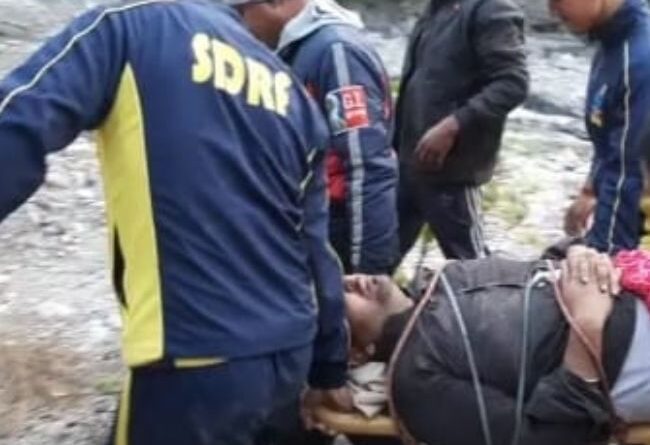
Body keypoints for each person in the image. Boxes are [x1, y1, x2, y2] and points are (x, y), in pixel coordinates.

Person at [0, 1, 350, 444]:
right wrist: (328, 367)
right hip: (287, 355)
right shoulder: (292, 93)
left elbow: (17, 122)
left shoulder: (131, 25)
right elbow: (316, 249)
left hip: (195, 357)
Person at [329, 247, 650, 445]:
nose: (348, 282)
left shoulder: (445, 279)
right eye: (337, 300)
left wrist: (578, 254)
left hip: (630, 280)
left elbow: (542, 264)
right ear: (356, 355)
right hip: (626, 350)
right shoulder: (416, 380)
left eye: (337, 278)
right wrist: (587, 331)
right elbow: (543, 438)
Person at [233, 0, 399, 275]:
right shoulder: (294, 50)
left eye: (242, 11)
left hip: (338, 226)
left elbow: (367, 164)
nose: (240, 23)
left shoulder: (337, 53)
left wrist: (369, 269)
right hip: (306, 222)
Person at [394, 0, 529, 261]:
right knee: (378, 258)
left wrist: (454, 125)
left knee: (472, 267)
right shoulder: (437, 8)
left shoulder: (491, 9)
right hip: (409, 163)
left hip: (452, 170)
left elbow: (513, 83)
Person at [558, 0, 650, 254]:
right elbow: (608, 139)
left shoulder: (640, 60)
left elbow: (628, 172)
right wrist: (590, 190)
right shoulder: (612, 45)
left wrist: (605, 251)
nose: (553, 11)